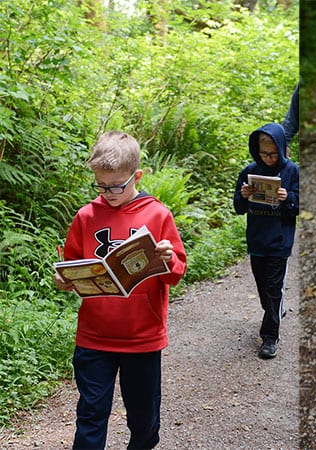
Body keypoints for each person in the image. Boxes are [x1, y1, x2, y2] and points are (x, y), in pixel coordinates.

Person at [54, 131, 187, 449]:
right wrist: (64, 281)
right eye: (101, 185)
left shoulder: (157, 215)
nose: (108, 193)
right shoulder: (86, 216)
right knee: (90, 415)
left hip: (142, 338)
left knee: (143, 421)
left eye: (116, 186)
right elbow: (71, 267)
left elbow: (176, 273)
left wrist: (168, 259)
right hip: (94, 337)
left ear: (136, 176)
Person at [233, 123, 300, 359]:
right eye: (264, 154)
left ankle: (270, 337)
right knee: (263, 290)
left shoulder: (292, 171)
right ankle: (274, 311)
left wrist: (287, 198)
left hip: (279, 242)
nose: (269, 158)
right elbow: (238, 208)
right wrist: (243, 196)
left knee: (273, 290)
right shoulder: (249, 171)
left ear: (282, 149)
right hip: (257, 241)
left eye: (273, 153)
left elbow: (298, 207)